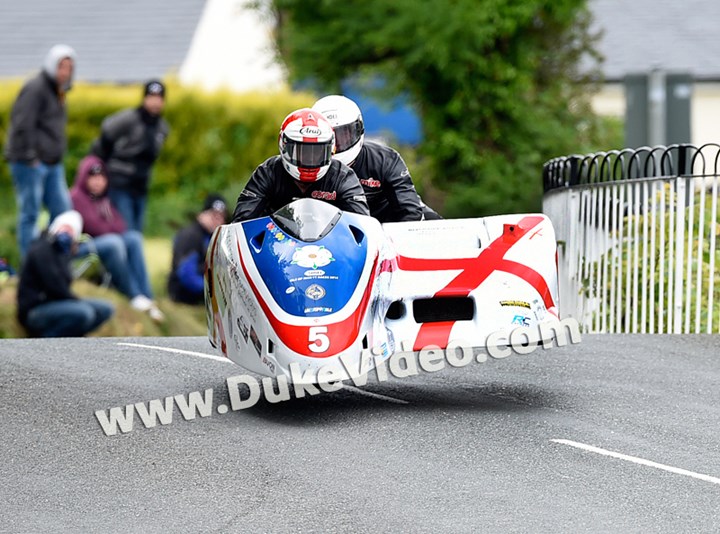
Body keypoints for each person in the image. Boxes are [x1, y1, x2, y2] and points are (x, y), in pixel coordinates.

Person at [312, 95, 442, 222]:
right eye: (330, 138)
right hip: (335, 233)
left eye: (343, 135)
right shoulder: (304, 164)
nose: (336, 145)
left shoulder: (385, 160)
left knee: (434, 223)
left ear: (359, 129)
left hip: (388, 229)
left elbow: (410, 210)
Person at [232, 108, 370, 222]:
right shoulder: (268, 172)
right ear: (284, 146)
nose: (310, 158)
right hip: (278, 249)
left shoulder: (343, 177)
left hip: (331, 252)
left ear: (331, 149)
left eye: (317, 151)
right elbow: (242, 222)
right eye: (302, 151)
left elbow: (361, 225)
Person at [70, 155, 164, 321]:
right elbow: (94, 227)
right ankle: (133, 295)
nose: (98, 181)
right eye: (93, 177)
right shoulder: (76, 197)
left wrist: (108, 227)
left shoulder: (103, 200)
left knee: (133, 238)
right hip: (80, 248)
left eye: (101, 177)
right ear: (84, 177)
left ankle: (147, 296)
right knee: (114, 242)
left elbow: (121, 225)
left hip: (102, 243)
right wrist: (108, 227)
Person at [4, 44, 76, 260]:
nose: (65, 72)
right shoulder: (36, 88)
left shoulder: (59, 92)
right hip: (30, 162)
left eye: (69, 67)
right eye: (61, 66)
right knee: (30, 214)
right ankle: (31, 266)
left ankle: (56, 262)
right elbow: (21, 124)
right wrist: (30, 157)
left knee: (63, 212)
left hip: (52, 162)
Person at [16, 210, 114, 337]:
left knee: (105, 309)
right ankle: (44, 342)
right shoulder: (41, 248)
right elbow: (55, 286)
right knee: (84, 312)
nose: (67, 233)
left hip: (57, 304)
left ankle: (72, 340)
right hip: (35, 309)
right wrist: (75, 300)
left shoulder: (63, 254)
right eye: (65, 228)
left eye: (71, 231)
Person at [90, 80, 170, 232]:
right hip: (120, 183)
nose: (155, 102)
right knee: (127, 230)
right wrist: (100, 170)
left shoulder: (162, 127)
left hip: (140, 186)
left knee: (137, 231)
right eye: (151, 97)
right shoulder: (128, 119)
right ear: (144, 98)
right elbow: (105, 136)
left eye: (159, 98)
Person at [168, 194, 228, 304]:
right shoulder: (192, 235)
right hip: (183, 293)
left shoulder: (212, 236)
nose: (218, 220)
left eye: (221, 216)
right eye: (214, 215)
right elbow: (186, 274)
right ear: (203, 214)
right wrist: (211, 294)